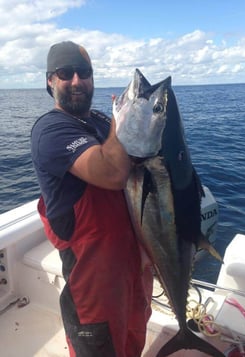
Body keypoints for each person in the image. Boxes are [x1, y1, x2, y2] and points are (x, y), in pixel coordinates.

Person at [31, 41, 153, 357]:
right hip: (94, 283)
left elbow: (141, 166)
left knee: (132, 342)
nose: (76, 81)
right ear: (49, 80)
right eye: (65, 72)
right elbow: (113, 174)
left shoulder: (100, 120)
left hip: (132, 266)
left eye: (83, 72)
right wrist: (125, 120)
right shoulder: (51, 129)